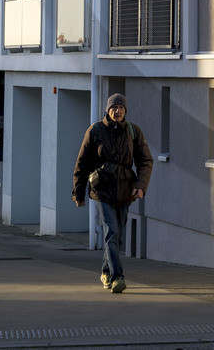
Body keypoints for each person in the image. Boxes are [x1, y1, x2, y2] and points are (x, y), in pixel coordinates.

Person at [72, 93, 153, 293]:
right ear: (107, 110)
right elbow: (82, 164)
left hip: (126, 190)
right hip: (103, 190)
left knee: (117, 237)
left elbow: (145, 161)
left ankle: (106, 272)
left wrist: (140, 186)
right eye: (114, 108)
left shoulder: (134, 132)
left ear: (125, 111)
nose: (118, 111)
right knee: (112, 232)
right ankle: (118, 277)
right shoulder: (95, 131)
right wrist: (78, 193)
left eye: (121, 108)